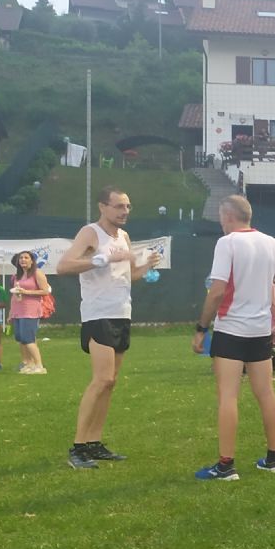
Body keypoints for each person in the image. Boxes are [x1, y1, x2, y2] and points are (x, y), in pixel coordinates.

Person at [56, 186, 162, 469]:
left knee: (111, 381)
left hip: (121, 313)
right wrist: (101, 259)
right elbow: (63, 266)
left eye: (128, 206)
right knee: (101, 379)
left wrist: (146, 266)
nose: (125, 211)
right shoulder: (90, 232)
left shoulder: (124, 237)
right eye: (119, 206)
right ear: (103, 207)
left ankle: (95, 442)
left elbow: (129, 275)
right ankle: (78, 447)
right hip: (98, 314)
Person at [192, 196, 275, 480]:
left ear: (228, 216)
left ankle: (226, 465)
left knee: (228, 396)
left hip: (231, 330)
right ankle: (273, 458)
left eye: (220, 217)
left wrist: (201, 328)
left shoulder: (227, 243)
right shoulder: (270, 242)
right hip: (260, 331)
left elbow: (216, 291)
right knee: (266, 393)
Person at [9, 250, 51, 374]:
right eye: (21, 258)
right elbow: (14, 295)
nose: (23, 260)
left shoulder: (37, 273)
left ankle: (39, 366)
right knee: (21, 338)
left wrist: (26, 292)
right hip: (18, 311)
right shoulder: (17, 276)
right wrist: (11, 312)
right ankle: (29, 364)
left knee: (28, 339)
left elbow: (45, 291)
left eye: (26, 257)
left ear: (32, 261)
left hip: (30, 310)